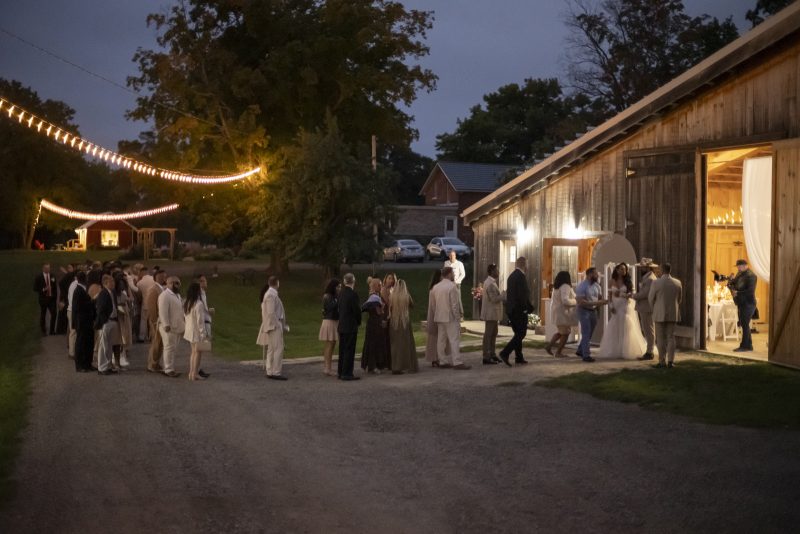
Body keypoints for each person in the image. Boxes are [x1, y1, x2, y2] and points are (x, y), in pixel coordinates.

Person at [598, 263, 647, 359]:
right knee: (615, 326)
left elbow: (631, 294)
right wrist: (611, 305)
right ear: (617, 270)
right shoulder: (611, 281)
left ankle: (626, 349)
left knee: (626, 325)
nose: (623, 271)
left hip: (625, 305)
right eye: (621, 269)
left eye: (625, 269)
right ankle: (616, 350)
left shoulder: (628, 281)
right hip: (615, 306)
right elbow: (609, 296)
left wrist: (622, 294)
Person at [431, 267, 470, 370]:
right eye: (452, 273)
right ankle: (457, 361)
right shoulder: (452, 287)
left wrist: (437, 314)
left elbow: (434, 305)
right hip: (450, 317)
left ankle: (442, 360)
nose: (453, 275)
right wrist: (458, 319)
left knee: (441, 340)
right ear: (448, 274)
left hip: (439, 316)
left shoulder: (436, 287)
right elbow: (454, 305)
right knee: (454, 339)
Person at [498, 257, 534, 367]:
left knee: (518, 333)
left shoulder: (511, 276)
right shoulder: (521, 277)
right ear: (524, 264)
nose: (528, 266)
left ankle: (519, 357)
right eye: (527, 264)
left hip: (511, 309)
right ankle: (505, 352)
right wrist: (526, 308)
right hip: (519, 310)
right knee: (521, 333)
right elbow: (522, 295)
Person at [648, 263, 683, 368]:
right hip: (673, 312)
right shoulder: (677, 283)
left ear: (662, 270)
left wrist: (654, 308)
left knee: (660, 338)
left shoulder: (656, 283)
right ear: (670, 270)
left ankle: (662, 361)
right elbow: (679, 299)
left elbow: (650, 298)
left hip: (659, 313)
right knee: (671, 337)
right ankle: (671, 361)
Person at [257, 276, 289, 380]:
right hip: (273, 325)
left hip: (272, 325)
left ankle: (270, 370)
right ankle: (276, 371)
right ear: (277, 283)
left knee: (271, 348)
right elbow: (271, 312)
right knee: (278, 348)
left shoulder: (270, 294)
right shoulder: (271, 295)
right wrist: (277, 324)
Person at [575, 267, 608, 363]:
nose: (597, 275)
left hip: (593, 311)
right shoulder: (581, 286)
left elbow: (600, 298)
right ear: (589, 275)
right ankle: (586, 355)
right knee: (586, 332)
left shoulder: (597, 286)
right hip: (583, 311)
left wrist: (599, 309)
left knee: (589, 333)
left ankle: (580, 350)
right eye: (595, 274)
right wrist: (598, 303)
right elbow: (581, 302)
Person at [545, 271, 578, 358]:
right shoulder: (565, 286)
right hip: (563, 313)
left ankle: (549, 347)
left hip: (558, 313)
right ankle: (558, 352)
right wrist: (576, 301)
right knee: (566, 333)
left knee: (561, 332)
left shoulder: (557, 287)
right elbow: (565, 300)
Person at [388, 279, 418, 374]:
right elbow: (412, 306)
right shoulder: (406, 296)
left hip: (394, 322)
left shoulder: (392, 296)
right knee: (407, 344)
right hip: (404, 322)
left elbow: (390, 308)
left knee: (395, 345)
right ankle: (409, 365)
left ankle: (395, 366)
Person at [361, 278, 390, 373]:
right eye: (379, 285)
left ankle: (372, 365)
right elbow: (379, 312)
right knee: (375, 344)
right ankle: (373, 366)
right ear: (375, 286)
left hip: (372, 322)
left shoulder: (373, 296)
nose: (381, 286)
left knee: (372, 343)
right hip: (375, 323)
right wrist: (382, 307)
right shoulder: (374, 297)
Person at [158, 276, 185, 378]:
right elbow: (162, 311)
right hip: (169, 327)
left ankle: (169, 367)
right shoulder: (165, 295)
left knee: (172, 348)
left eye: (176, 283)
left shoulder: (177, 295)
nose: (174, 285)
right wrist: (166, 324)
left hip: (176, 326)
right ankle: (168, 369)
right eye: (171, 283)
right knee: (169, 348)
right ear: (167, 284)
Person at [183, 282, 210, 381]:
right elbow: (200, 321)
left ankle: (191, 372)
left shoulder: (187, 302)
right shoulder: (198, 304)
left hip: (189, 330)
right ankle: (194, 373)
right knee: (197, 353)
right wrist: (203, 334)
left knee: (193, 352)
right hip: (196, 332)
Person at [94, 274, 120, 376]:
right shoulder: (103, 294)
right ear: (105, 283)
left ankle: (108, 365)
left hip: (113, 321)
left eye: (113, 281)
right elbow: (100, 309)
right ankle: (102, 367)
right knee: (104, 346)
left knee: (109, 345)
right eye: (111, 281)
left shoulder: (112, 292)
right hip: (106, 322)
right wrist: (104, 321)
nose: (114, 283)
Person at [337, 273, 361, 381]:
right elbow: (357, 310)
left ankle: (341, 371)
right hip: (350, 325)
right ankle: (347, 373)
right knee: (349, 349)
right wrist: (358, 321)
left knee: (342, 349)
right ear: (353, 282)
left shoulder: (340, 293)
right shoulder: (353, 294)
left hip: (342, 325)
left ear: (344, 281)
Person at [633, 260, 658, 360]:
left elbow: (644, 294)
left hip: (647, 307)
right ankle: (649, 350)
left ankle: (650, 351)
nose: (641, 269)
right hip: (646, 307)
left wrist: (633, 296)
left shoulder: (650, 279)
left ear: (647, 268)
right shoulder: (648, 277)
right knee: (648, 329)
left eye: (642, 267)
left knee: (649, 329)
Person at [731, 259, 757, 353]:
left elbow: (750, 291)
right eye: (737, 266)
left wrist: (737, 293)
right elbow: (734, 283)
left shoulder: (752, 276)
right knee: (744, 324)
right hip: (741, 302)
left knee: (745, 324)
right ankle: (748, 346)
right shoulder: (740, 273)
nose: (738, 268)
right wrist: (731, 283)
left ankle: (745, 346)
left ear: (746, 265)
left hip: (749, 303)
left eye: (740, 266)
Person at [479, 264, 504, 364]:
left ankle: (492, 354)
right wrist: (503, 295)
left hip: (493, 314)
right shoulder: (489, 283)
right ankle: (486, 356)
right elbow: (493, 299)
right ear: (492, 271)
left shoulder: (492, 282)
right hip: (490, 313)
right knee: (488, 335)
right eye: (497, 270)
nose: (498, 272)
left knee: (493, 334)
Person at [71, 271, 94, 372]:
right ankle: (80, 365)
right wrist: (92, 301)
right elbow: (78, 307)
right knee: (80, 343)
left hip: (86, 320)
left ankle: (87, 363)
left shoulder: (82, 289)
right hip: (81, 321)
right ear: (84, 279)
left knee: (88, 342)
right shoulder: (78, 291)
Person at [425, 270, 448, 367]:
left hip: (435, 315)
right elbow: (434, 305)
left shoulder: (434, 289)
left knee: (437, 338)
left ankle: (437, 357)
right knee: (435, 338)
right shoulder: (434, 289)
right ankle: (435, 358)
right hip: (436, 316)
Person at [145, 270, 167, 373]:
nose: (163, 278)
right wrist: (154, 321)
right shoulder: (153, 289)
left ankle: (156, 363)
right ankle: (152, 364)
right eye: (161, 276)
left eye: (164, 276)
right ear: (156, 277)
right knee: (156, 343)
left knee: (160, 343)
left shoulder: (161, 288)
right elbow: (151, 307)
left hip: (160, 320)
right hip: (156, 321)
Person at [319, 278, 340, 376]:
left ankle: (328, 367)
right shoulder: (327, 296)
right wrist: (338, 300)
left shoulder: (333, 296)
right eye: (338, 287)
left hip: (333, 321)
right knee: (329, 345)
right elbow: (330, 307)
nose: (339, 289)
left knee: (331, 345)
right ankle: (327, 368)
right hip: (329, 321)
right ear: (334, 287)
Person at [113, 274, 132, 369]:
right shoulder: (114, 294)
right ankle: (117, 360)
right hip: (119, 318)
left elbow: (129, 300)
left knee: (125, 337)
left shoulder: (123, 293)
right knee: (120, 339)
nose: (122, 286)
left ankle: (121, 358)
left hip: (125, 317)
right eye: (120, 284)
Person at [195, 274, 213, 378]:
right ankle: (196, 369)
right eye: (203, 281)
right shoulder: (198, 295)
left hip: (206, 320)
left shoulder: (203, 293)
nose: (205, 283)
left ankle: (198, 368)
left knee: (201, 349)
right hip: (203, 322)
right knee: (200, 348)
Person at [33, 263, 57, 335]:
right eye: (46, 268)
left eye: (49, 268)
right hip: (43, 299)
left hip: (51, 299)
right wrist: (43, 289)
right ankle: (43, 331)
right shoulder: (38, 277)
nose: (48, 269)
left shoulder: (52, 276)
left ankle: (52, 331)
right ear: (43, 269)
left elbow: (55, 286)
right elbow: (35, 288)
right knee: (43, 314)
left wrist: (55, 297)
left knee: (54, 314)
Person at [55, 264, 75, 335]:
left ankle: (62, 330)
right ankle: (61, 330)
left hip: (65, 296)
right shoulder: (69, 276)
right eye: (68, 268)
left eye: (70, 267)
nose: (69, 269)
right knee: (64, 313)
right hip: (65, 297)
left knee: (64, 313)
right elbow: (61, 283)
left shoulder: (69, 275)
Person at [67, 267, 81, 359]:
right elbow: (73, 300)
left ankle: (74, 351)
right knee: (73, 331)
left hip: (72, 310)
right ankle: (72, 352)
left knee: (74, 331)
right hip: (73, 310)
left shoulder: (74, 284)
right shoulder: (75, 285)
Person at [136, 266, 154, 341]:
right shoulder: (153, 279)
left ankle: (142, 336)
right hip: (153, 303)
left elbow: (139, 294)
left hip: (145, 303)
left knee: (143, 321)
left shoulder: (140, 283)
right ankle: (152, 336)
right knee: (152, 320)